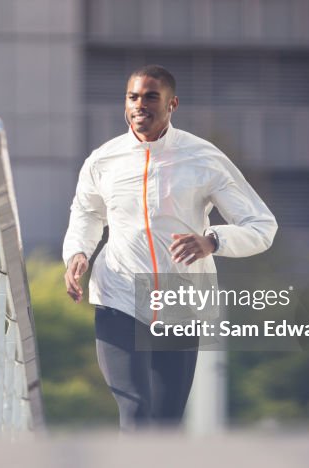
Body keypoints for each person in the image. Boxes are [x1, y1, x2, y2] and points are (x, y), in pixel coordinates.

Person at [61, 65, 277, 431]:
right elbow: (86, 213)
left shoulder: (203, 158)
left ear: (172, 103)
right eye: (133, 97)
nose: (139, 105)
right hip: (119, 295)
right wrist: (77, 253)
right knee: (134, 407)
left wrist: (213, 242)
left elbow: (262, 226)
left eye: (150, 97)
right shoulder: (103, 159)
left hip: (180, 301)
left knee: (165, 422)